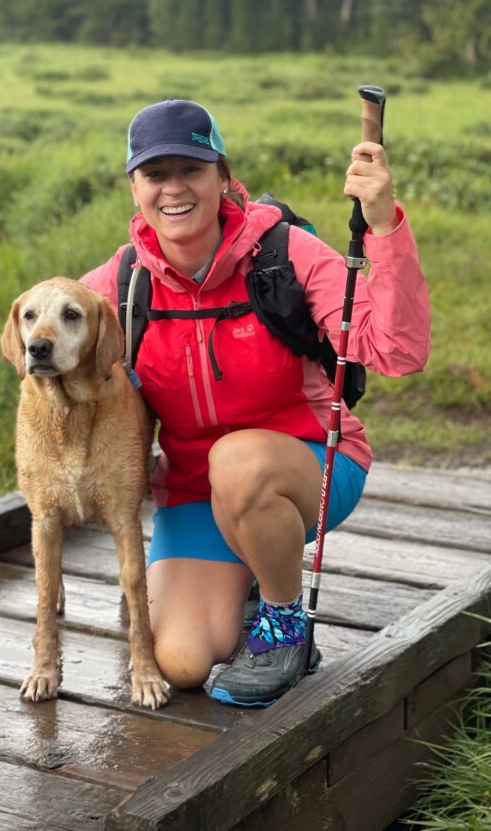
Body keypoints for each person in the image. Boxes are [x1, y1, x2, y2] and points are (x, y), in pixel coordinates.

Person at [80, 98, 431, 706]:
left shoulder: (286, 255)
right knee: (182, 661)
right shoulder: (123, 282)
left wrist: (384, 226)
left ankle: (285, 621)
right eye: (155, 174)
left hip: (310, 470)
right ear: (134, 186)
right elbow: (51, 352)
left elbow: (397, 351)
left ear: (222, 176)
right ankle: (247, 581)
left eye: (191, 169)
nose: (174, 189)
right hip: (193, 487)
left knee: (238, 461)